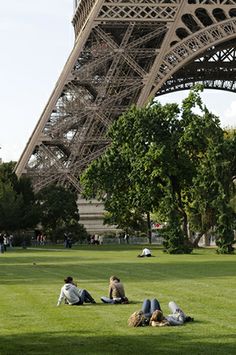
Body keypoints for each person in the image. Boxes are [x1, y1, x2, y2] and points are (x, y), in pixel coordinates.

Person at [128, 298, 193, 327]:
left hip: (152, 317)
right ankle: (141, 319)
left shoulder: (169, 320)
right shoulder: (172, 320)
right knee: (153, 300)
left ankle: (140, 319)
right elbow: (180, 323)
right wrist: (180, 314)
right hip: (155, 316)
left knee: (148, 300)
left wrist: (179, 314)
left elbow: (180, 323)